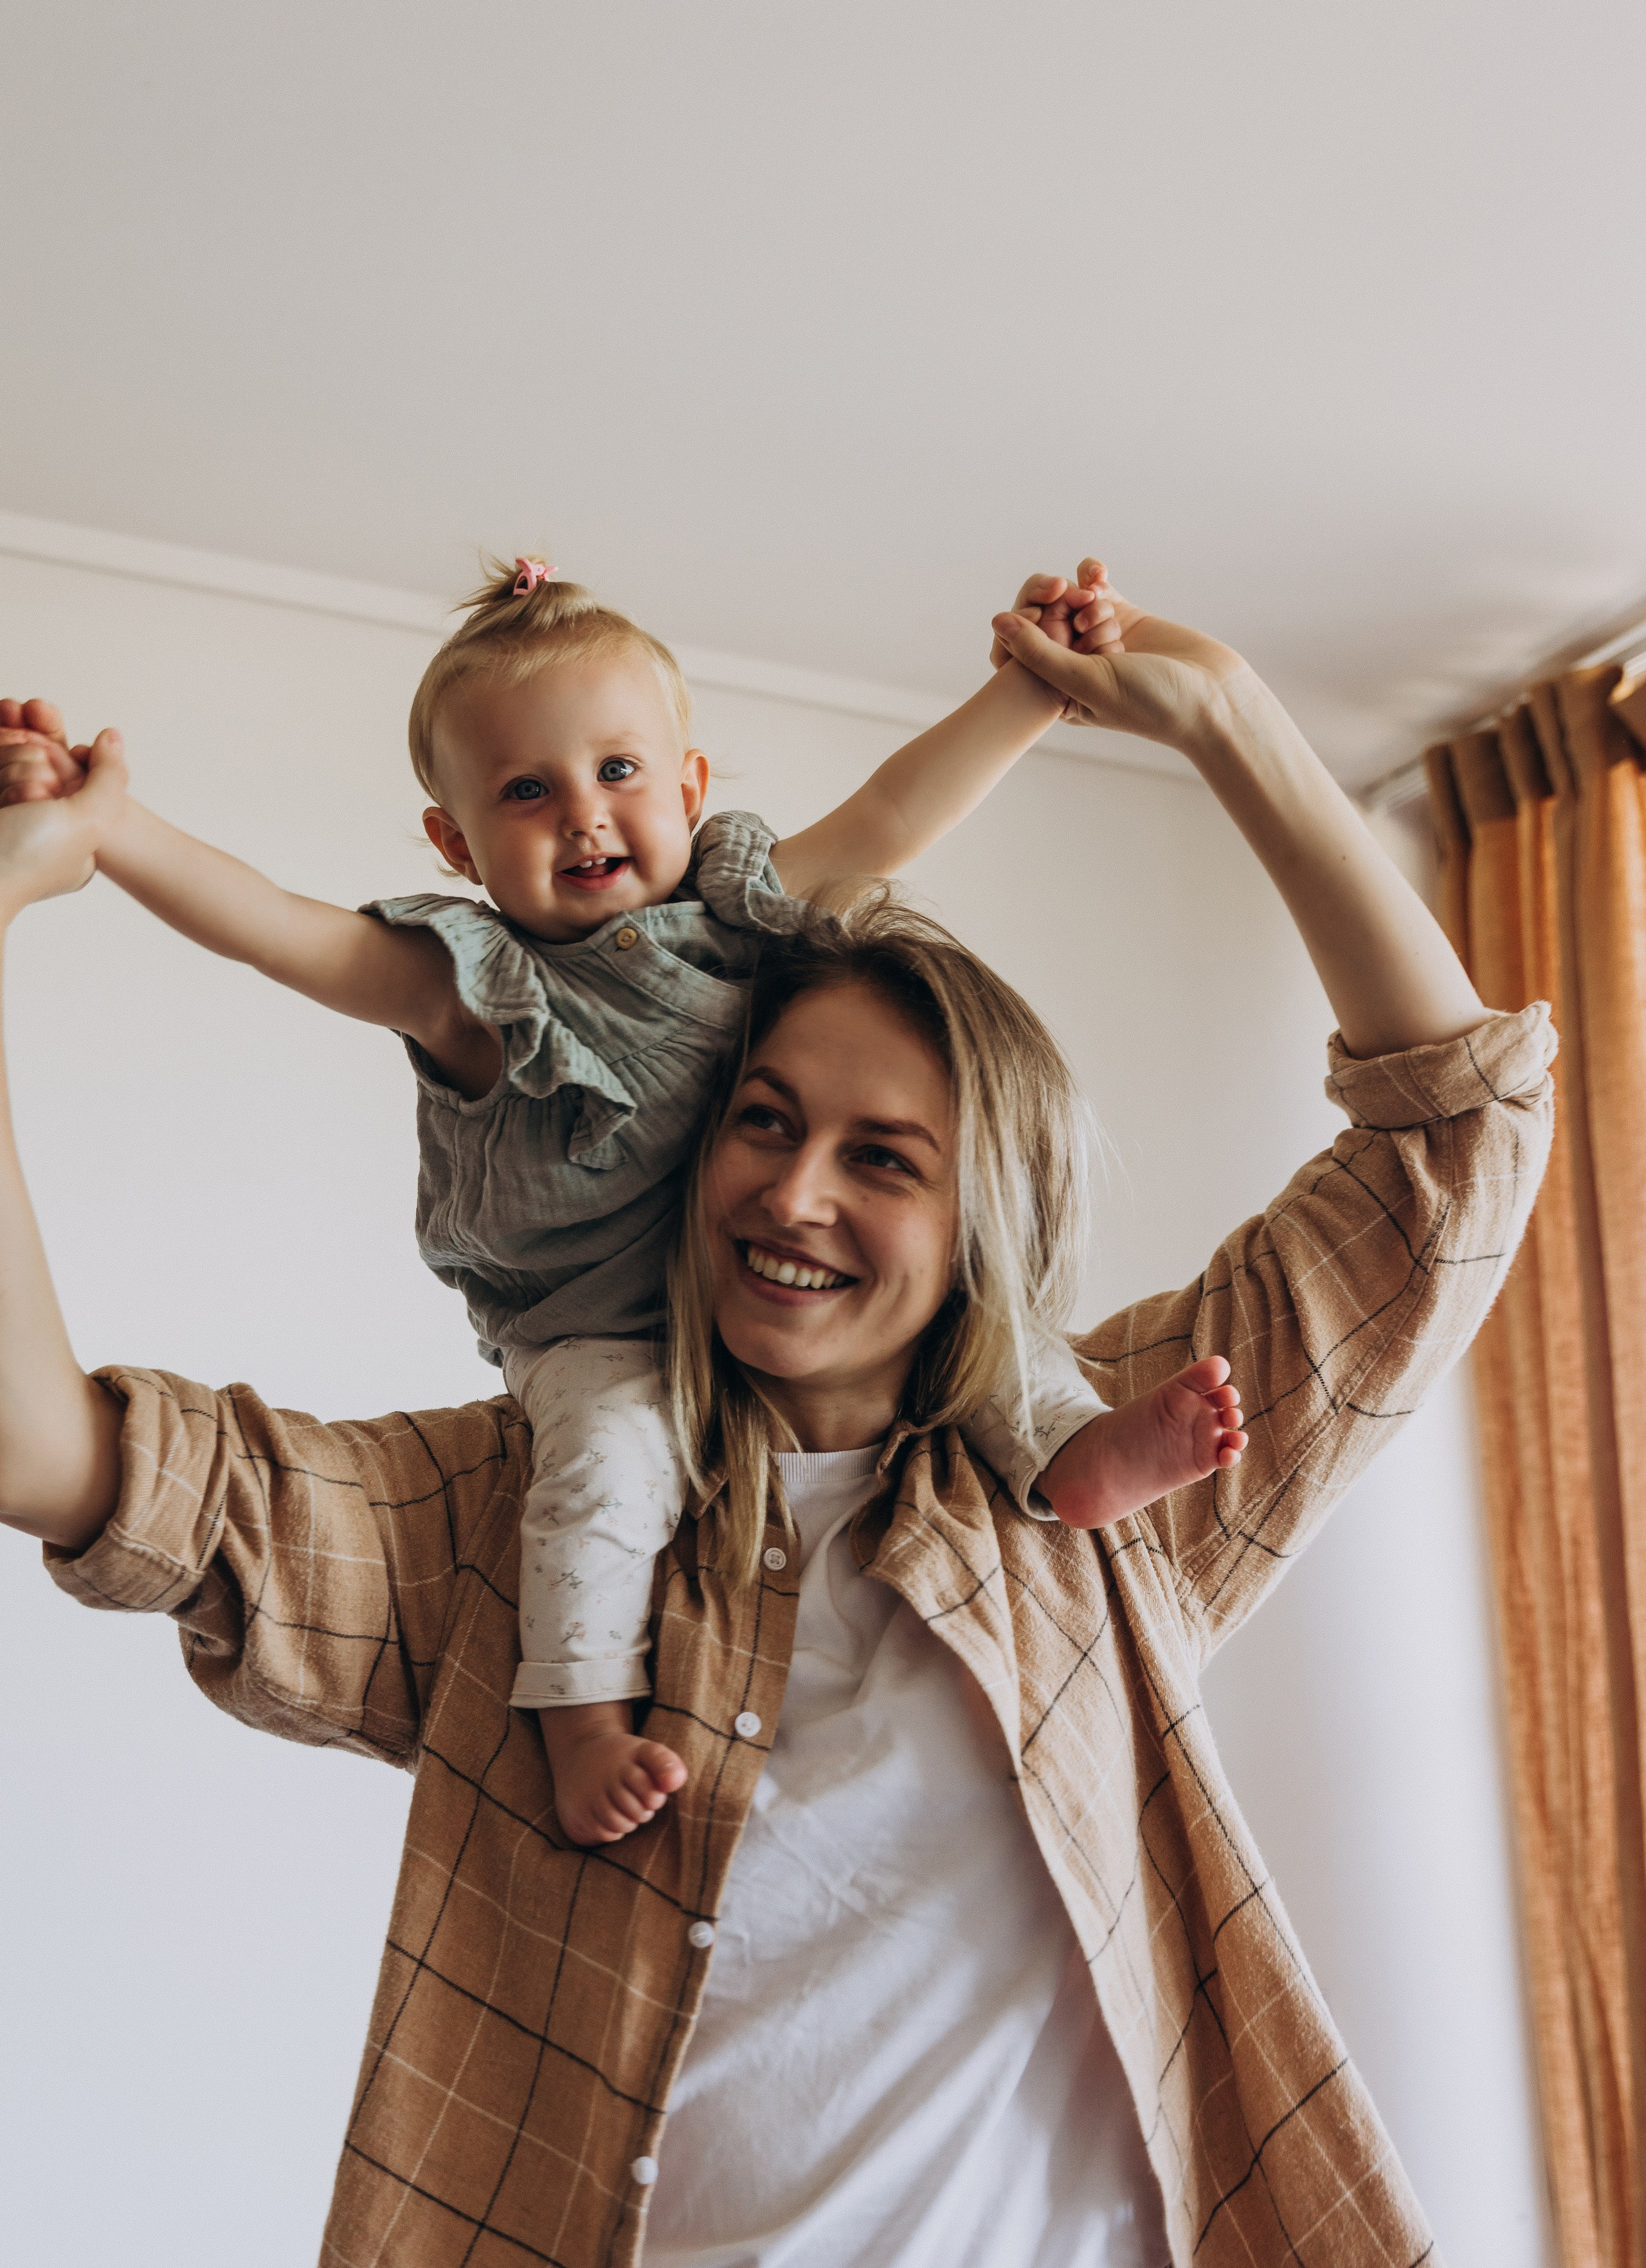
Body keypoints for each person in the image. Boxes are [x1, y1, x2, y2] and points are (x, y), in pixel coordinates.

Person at [0, 570, 1551, 2268]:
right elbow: (52, 1460)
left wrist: (1225, 714)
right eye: (762, 1118)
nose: (796, 1192)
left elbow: (1454, 1146)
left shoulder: (1108, 1485)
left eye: (882, 1158)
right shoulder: (500, 1524)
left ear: (973, 1215)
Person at [0, 557, 1242, 1848]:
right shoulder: (473, 990)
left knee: (977, 1331)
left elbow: (887, 816)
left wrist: (1031, 690)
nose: (583, 817)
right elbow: (276, 926)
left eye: (618, 773)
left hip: (766, 1290)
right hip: (600, 1332)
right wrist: (111, 829)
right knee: (600, 1474)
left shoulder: (741, 917)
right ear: (455, 843)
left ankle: (1072, 1454)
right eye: (525, 792)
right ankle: (583, 1715)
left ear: (692, 788)